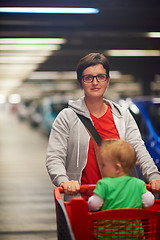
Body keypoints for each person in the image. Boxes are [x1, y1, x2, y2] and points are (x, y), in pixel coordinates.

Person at [46, 52, 160, 195]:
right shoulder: (67, 117)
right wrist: (64, 181)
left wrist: (154, 175)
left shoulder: (122, 115)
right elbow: (54, 157)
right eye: (88, 78)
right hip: (82, 200)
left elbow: (138, 148)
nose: (95, 82)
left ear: (108, 80)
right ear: (80, 82)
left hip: (120, 199)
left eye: (100, 77)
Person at [88, 139, 155, 211]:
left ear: (117, 168)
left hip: (109, 222)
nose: (101, 168)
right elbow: (149, 201)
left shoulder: (104, 184)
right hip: (133, 222)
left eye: (103, 165)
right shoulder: (138, 184)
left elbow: (94, 205)